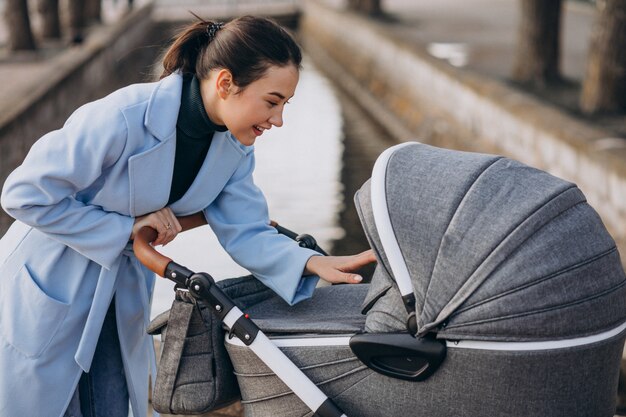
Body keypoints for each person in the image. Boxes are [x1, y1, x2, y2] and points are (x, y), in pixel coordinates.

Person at [0, 16, 376, 417]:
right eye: (271, 101)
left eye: (285, 104)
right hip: (53, 277)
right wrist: (125, 230)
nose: (279, 119)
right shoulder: (122, 117)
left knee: (108, 404)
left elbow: (246, 230)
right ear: (225, 83)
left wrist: (310, 261)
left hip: (118, 289)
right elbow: (24, 194)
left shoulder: (235, 147)